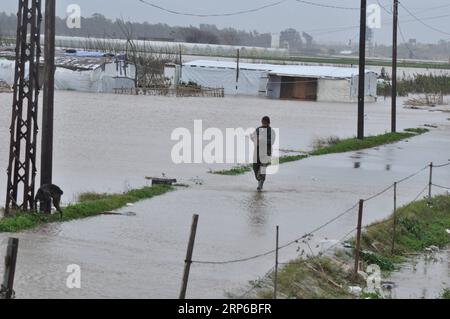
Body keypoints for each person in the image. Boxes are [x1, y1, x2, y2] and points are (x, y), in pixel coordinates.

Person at [250, 116, 276, 191]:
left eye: (265, 123)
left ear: (268, 123)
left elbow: (272, 141)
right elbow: (252, 136)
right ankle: (259, 181)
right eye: (263, 122)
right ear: (261, 122)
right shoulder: (258, 129)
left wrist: (262, 140)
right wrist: (254, 138)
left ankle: (260, 185)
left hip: (267, 152)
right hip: (257, 152)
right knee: (255, 168)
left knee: (263, 168)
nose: (264, 124)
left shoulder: (271, 131)